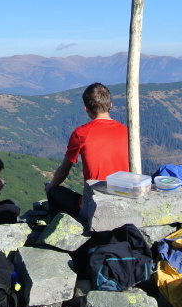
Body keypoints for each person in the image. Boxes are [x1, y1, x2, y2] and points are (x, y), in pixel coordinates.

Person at [44, 82, 129, 219]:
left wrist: (50, 186)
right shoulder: (128, 132)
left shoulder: (81, 133)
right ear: (110, 104)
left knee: (54, 190)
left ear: (86, 109)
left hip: (93, 205)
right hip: (125, 199)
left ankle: (52, 233)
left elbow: (63, 172)